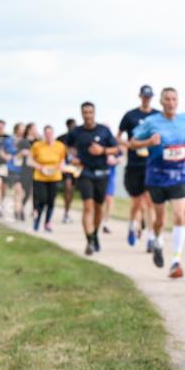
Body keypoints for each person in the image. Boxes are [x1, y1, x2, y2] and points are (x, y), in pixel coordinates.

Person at [129, 87, 185, 278]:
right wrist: (148, 142)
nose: (171, 103)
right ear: (161, 102)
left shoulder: (184, 119)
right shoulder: (150, 122)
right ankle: (157, 240)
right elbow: (132, 142)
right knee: (160, 220)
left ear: (178, 101)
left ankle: (176, 261)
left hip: (179, 175)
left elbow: (184, 136)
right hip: (157, 175)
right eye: (167, 100)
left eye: (174, 99)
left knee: (180, 215)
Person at [69, 102, 120, 255]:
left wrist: (102, 150)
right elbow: (66, 146)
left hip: (102, 173)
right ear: (81, 113)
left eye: (90, 112)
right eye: (85, 112)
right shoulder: (76, 132)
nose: (88, 115)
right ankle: (89, 240)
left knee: (98, 208)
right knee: (88, 207)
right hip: (85, 172)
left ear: (94, 113)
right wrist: (72, 157)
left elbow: (116, 149)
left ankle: (95, 233)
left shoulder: (104, 131)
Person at [118, 85, 158, 249]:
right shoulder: (130, 115)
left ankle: (151, 237)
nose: (146, 99)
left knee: (149, 201)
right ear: (140, 96)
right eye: (144, 96)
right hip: (134, 165)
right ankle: (132, 226)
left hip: (151, 164)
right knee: (136, 202)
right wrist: (129, 145)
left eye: (149, 97)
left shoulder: (157, 116)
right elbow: (118, 137)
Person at [30, 125, 67, 232]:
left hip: (54, 176)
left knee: (51, 201)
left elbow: (62, 160)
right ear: (44, 134)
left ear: (53, 134)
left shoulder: (60, 146)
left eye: (50, 133)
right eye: (46, 133)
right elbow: (30, 160)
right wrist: (40, 167)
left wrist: (61, 166)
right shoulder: (37, 145)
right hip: (40, 176)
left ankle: (48, 222)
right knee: (42, 199)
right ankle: (37, 221)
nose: (48, 135)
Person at [56, 118, 78, 223]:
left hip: (77, 168)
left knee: (71, 190)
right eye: (72, 126)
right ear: (68, 126)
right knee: (68, 186)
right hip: (64, 168)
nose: (74, 128)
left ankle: (67, 212)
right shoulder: (61, 138)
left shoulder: (80, 137)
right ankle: (65, 212)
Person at [101, 141, 122, 234]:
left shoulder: (114, 147)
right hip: (99, 176)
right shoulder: (99, 145)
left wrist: (116, 161)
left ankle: (106, 223)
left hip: (110, 177)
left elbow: (122, 156)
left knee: (109, 200)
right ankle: (98, 221)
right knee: (100, 201)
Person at [20, 123, 39, 216]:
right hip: (25, 169)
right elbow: (22, 153)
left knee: (35, 190)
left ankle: (34, 210)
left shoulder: (38, 141)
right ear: (29, 130)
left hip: (36, 168)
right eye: (34, 128)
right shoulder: (23, 141)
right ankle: (22, 207)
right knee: (27, 191)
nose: (36, 130)